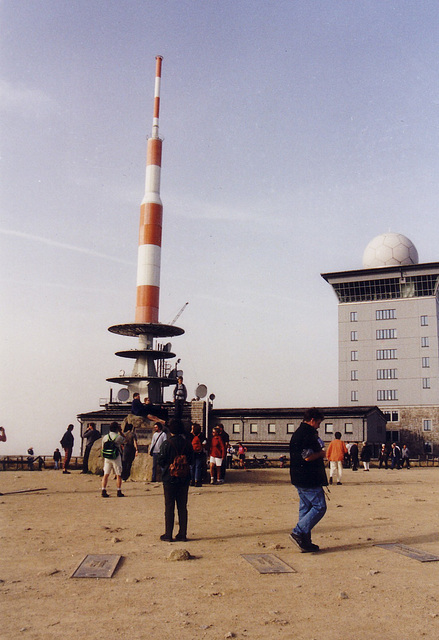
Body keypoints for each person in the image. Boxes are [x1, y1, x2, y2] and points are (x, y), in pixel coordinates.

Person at [289, 408, 328, 553]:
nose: (319, 425)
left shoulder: (298, 433)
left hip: (298, 477)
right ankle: (298, 532)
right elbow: (307, 457)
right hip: (309, 478)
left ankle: (305, 542)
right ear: (312, 420)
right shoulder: (308, 434)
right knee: (319, 507)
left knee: (305, 509)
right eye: (318, 422)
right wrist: (322, 453)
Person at [157, 418, 193, 541]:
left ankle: (168, 534)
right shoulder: (187, 443)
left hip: (169, 478)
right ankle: (182, 534)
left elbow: (160, 461)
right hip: (184, 478)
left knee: (169, 506)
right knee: (182, 507)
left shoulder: (167, 444)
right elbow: (192, 460)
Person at [101, 422, 125, 498]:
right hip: (116, 456)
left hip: (107, 457)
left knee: (106, 474)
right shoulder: (118, 437)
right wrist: (121, 431)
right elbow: (125, 440)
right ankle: (118, 490)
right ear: (117, 428)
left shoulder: (105, 437)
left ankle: (103, 490)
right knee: (118, 474)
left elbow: (102, 448)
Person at [190, 423, 204, 487]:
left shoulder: (190, 436)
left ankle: (191, 480)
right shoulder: (201, 435)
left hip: (192, 453)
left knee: (192, 466)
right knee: (198, 466)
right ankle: (197, 480)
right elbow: (205, 442)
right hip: (199, 453)